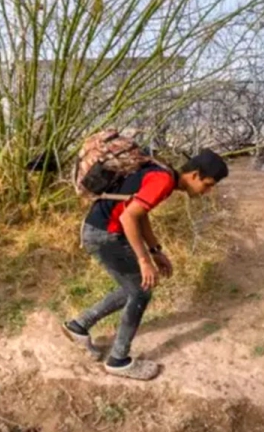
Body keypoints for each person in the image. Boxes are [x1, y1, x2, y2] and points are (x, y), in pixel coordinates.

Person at [63, 148, 229, 381]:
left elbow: (140, 213)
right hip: (104, 234)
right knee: (142, 290)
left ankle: (79, 326)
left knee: (132, 287)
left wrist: (155, 251)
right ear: (194, 175)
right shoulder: (163, 180)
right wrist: (144, 261)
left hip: (100, 231)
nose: (208, 191)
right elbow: (128, 217)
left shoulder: (163, 175)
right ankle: (118, 360)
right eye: (208, 184)